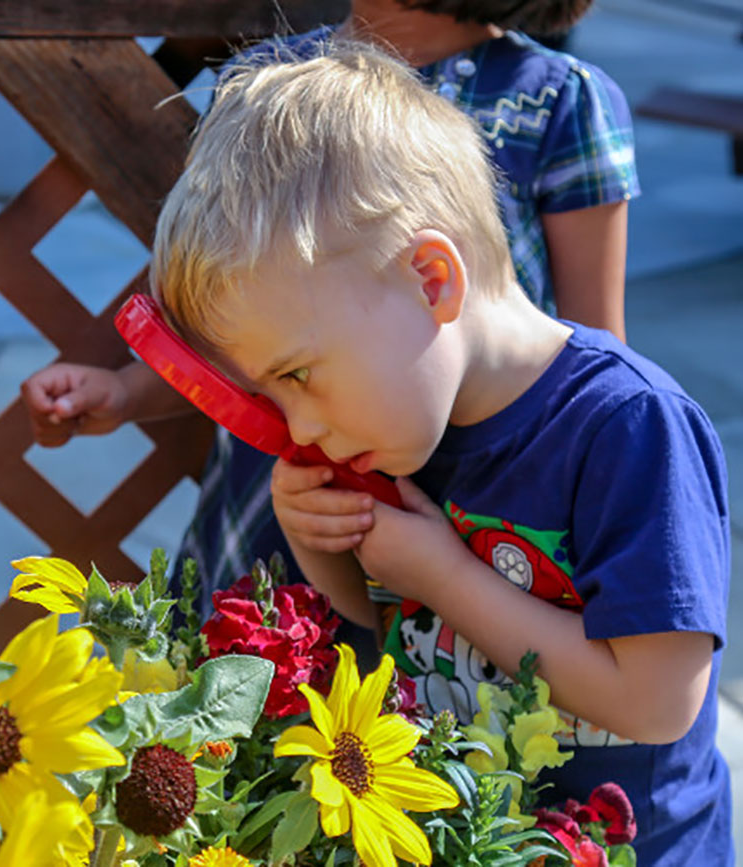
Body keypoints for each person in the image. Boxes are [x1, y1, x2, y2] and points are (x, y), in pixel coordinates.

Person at [150, 39, 731, 863]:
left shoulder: (627, 427)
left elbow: (656, 701)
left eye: (299, 373)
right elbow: (382, 637)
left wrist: (445, 577)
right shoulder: (398, 423)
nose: (298, 425)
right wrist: (325, 552)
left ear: (431, 279)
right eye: (270, 395)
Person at [20, 0, 640, 619]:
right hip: (283, 512)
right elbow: (240, 321)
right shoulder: (262, 82)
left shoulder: (557, 101)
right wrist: (128, 391)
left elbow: (591, 360)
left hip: (475, 528)